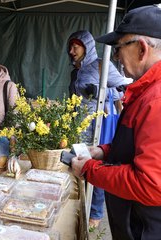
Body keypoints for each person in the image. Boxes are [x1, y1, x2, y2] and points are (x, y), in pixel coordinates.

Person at [71, 5, 161, 239]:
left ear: (141, 49)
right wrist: (103, 151)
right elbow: (137, 146)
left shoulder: (156, 100)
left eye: (118, 48)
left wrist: (90, 169)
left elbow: (150, 184)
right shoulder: (146, 91)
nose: (116, 56)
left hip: (145, 227)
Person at [67, 30, 129, 228]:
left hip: (98, 127)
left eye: (75, 46)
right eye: (70, 46)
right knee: (79, 163)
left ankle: (95, 213)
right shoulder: (75, 71)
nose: (71, 51)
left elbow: (123, 87)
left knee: (98, 167)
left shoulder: (101, 65)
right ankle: (81, 204)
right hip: (79, 126)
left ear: (87, 47)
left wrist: (102, 92)